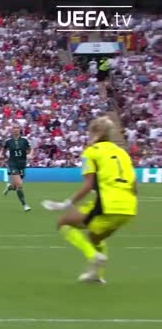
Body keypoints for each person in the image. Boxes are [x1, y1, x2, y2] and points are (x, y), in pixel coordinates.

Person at [42, 117, 137, 284]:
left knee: (64, 223)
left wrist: (67, 203)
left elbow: (88, 185)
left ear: (96, 133)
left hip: (108, 204)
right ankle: (96, 275)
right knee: (96, 238)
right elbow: (134, 186)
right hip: (129, 208)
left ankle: (93, 256)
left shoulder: (91, 151)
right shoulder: (122, 153)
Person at [0, 125, 33, 211]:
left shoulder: (25, 140)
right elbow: (3, 149)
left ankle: (9, 187)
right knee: (19, 184)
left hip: (22, 164)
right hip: (12, 163)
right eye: (14, 128)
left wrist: (30, 154)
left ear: (20, 130)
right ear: (12, 130)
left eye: (17, 128)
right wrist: (0, 155)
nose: (15, 129)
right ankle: (25, 205)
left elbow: (31, 149)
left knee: (15, 186)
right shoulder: (8, 141)